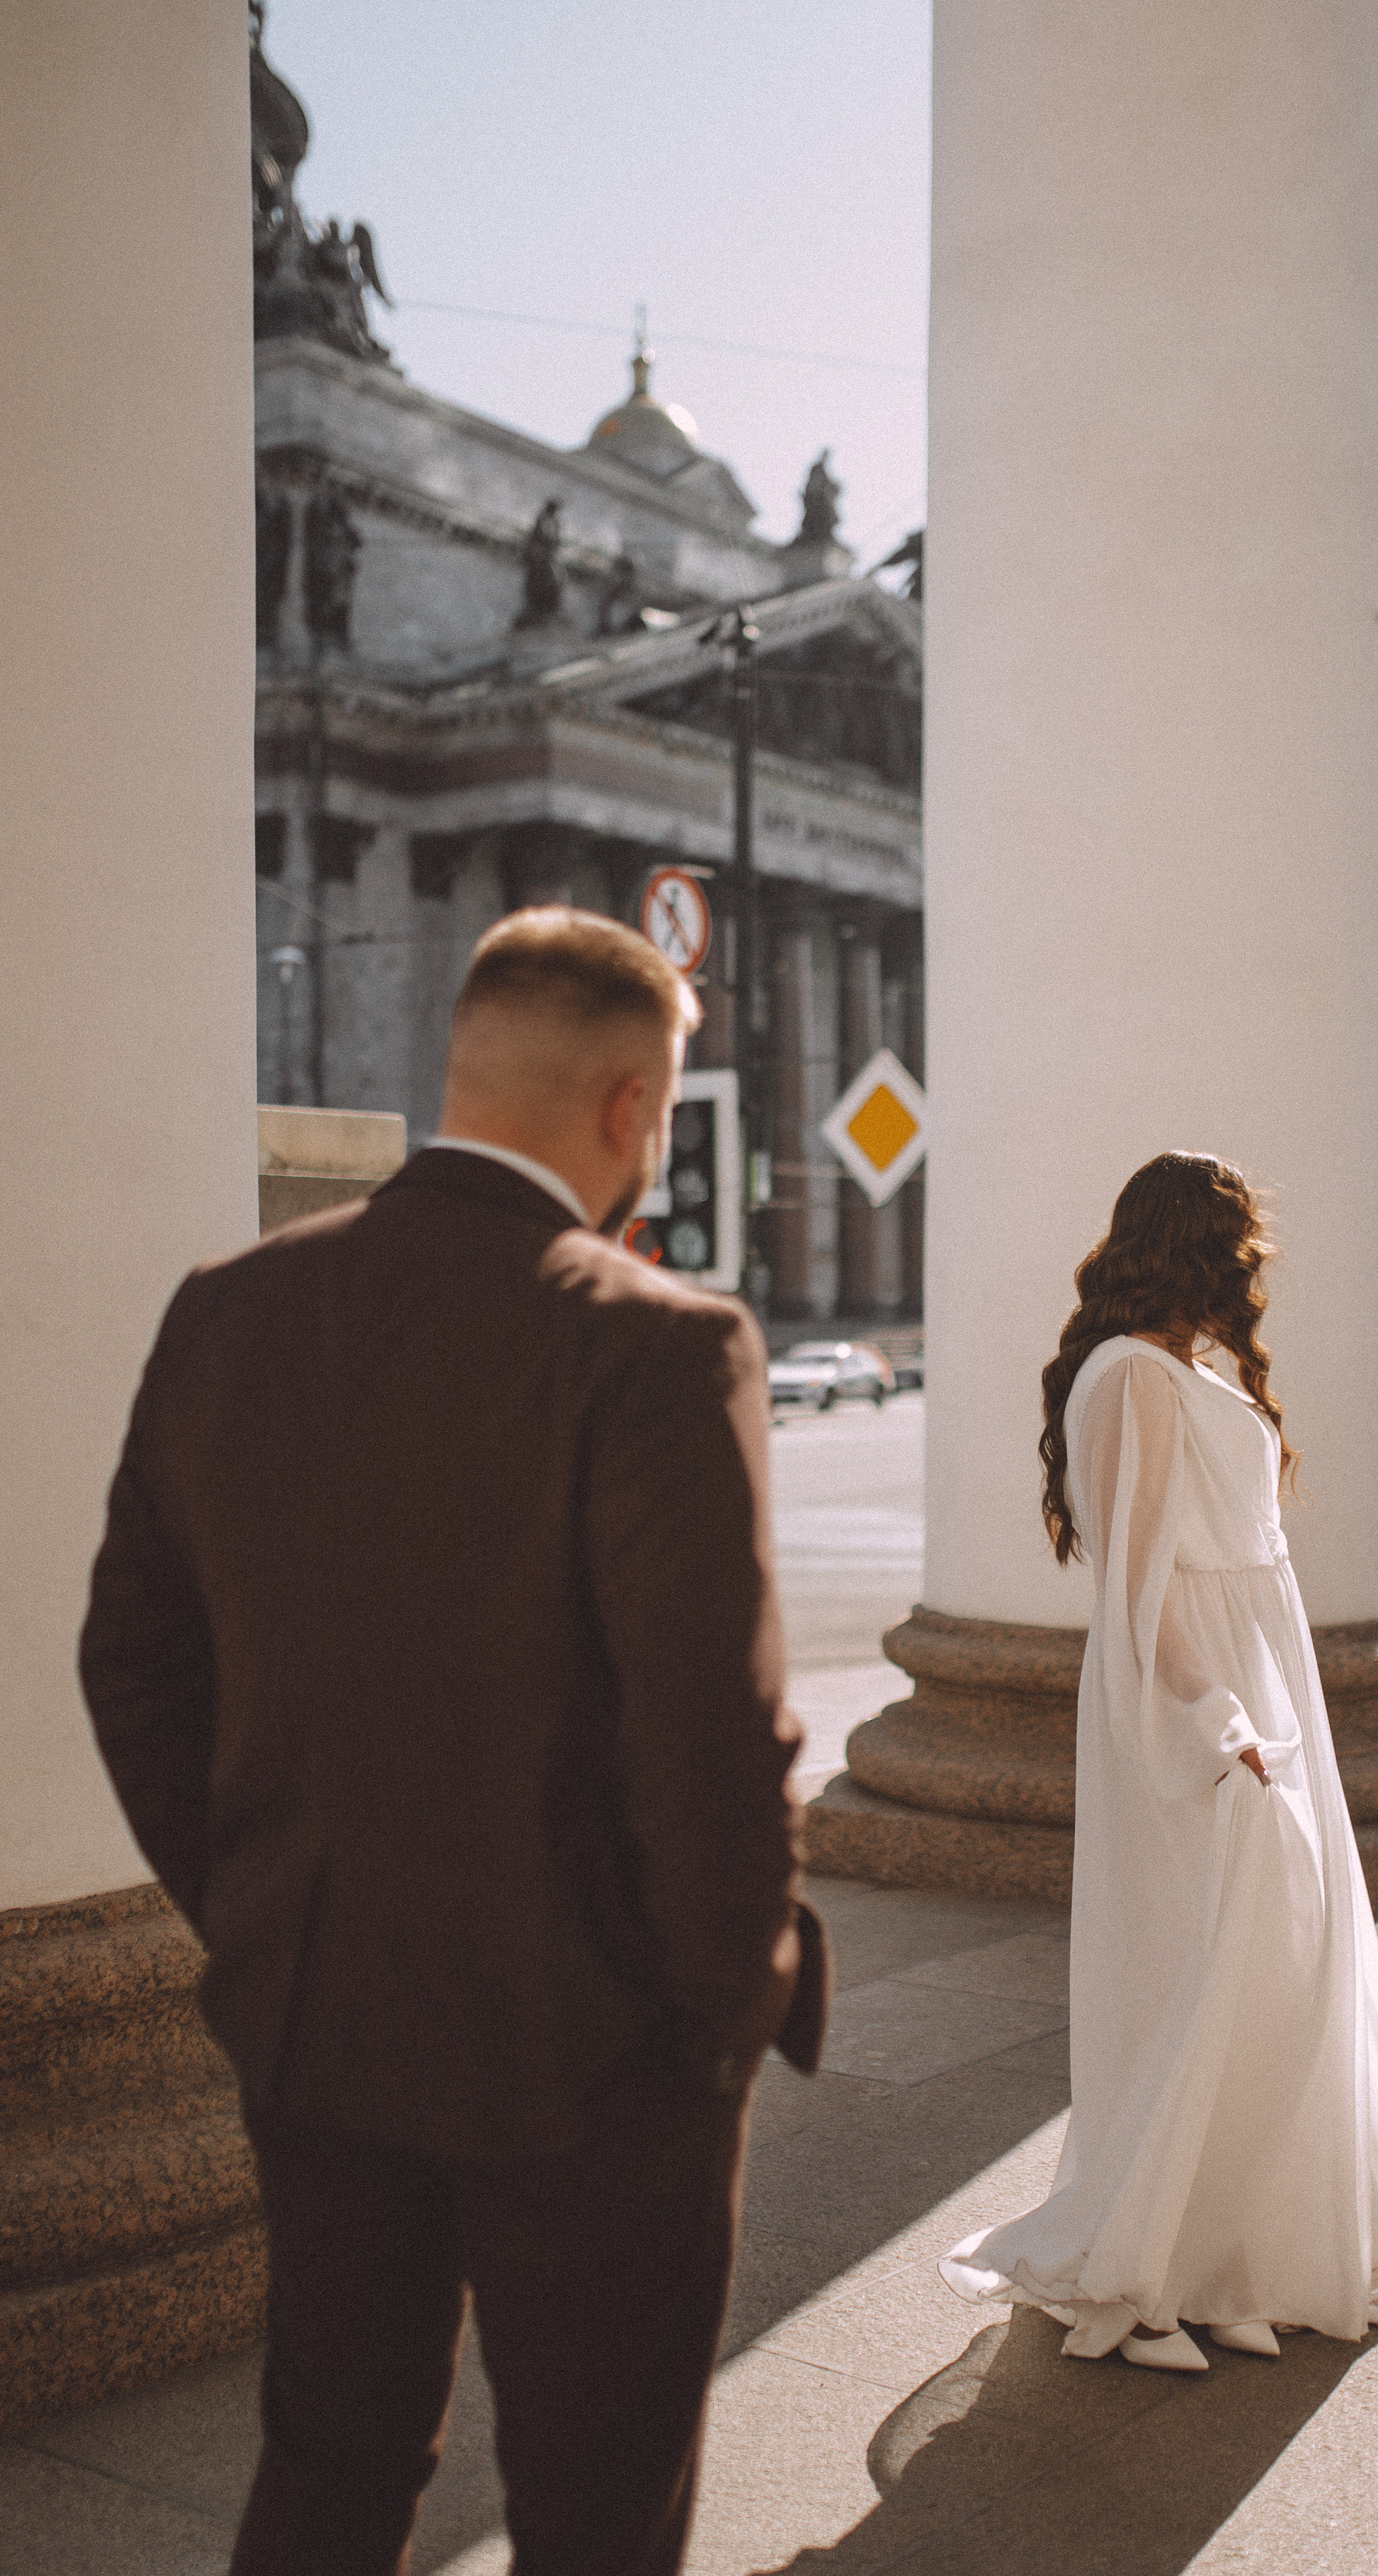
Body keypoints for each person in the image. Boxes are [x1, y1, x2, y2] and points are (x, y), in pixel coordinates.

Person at [79, 907, 827, 2576]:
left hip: (315, 2012)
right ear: (634, 1106)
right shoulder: (656, 1341)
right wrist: (720, 2017)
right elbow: (711, 1739)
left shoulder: (229, 1307)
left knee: (332, 2460)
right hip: (595, 2049)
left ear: (463, 1071)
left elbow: (133, 1666)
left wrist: (263, 1903)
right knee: (593, 2514)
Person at [941, 1152, 1378, 2370]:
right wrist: (1212, 1718)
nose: (1251, 1269)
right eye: (1238, 1246)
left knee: (1272, 1974)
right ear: (1193, 1246)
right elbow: (1139, 1578)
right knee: (1217, 1968)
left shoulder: (1177, 1369)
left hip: (1256, 1682)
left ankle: (1234, 2262)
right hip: (1202, 1699)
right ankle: (1155, 2275)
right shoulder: (1131, 1377)